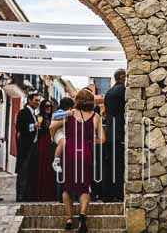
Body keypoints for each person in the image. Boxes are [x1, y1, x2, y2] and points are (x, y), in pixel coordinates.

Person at [61, 88, 104, 232]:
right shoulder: (96, 116)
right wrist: (89, 140)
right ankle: (82, 214)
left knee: (67, 187)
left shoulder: (71, 114)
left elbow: (52, 126)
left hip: (69, 151)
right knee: (84, 187)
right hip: (85, 152)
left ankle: (68, 219)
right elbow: (103, 139)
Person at [102, 69, 126, 201]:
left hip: (110, 131)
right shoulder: (122, 90)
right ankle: (117, 194)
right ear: (122, 77)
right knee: (118, 165)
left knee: (109, 164)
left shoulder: (109, 92)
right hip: (118, 132)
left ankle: (107, 194)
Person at [14, 91, 42, 201]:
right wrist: (33, 126)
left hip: (33, 146)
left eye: (39, 101)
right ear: (29, 100)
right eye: (36, 100)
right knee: (23, 171)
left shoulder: (35, 114)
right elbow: (20, 127)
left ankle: (27, 195)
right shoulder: (23, 112)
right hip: (25, 147)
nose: (38, 103)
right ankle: (20, 196)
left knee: (30, 171)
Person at [31, 98, 58, 201]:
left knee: (51, 166)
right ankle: (42, 193)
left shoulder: (53, 118)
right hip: (43, 142)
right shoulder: (39, 117)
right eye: (47, 106)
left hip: (52, 143)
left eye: (50, 106)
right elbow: (40, 131)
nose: (49, 108)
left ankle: (51, 193)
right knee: (43, 165)